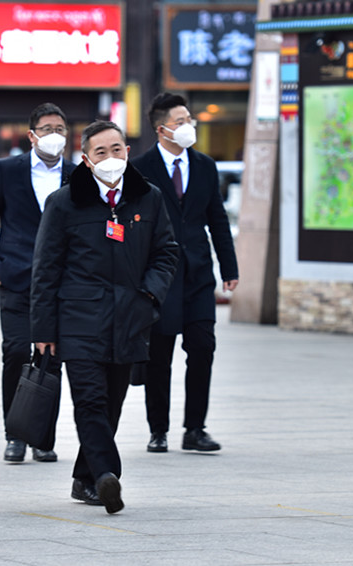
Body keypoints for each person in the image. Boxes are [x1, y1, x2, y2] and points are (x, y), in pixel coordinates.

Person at [31, 121, 178, 514]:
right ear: (86, 159)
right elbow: (45, 269)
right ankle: (107, 475)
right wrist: (43, 328)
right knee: (90, 400)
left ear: (127, 151)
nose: (110, 157)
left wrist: (149, 294)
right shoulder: (63, 203)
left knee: (112, 402)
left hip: (130, 316)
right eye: (101, 151)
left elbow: (166, 252)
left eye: (117, 149)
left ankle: (85, 478)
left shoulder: (149, 198)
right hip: (78, 318)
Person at [131, 93, 239, 454]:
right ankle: (158, 429)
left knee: (203, 348)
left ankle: (195, 428)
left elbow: (217, 219)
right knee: (159, 357)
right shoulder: (141, 168)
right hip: (159, 277)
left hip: (198, 276)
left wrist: (229, 267)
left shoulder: (205, 166)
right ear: (161, 129)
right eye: (181, 121)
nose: (188, 126)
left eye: (189, 119)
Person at [0, 103, 75, 464]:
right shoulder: (8, 170)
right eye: (47, 129)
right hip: (16, 274)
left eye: (60, 129)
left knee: (50, 357)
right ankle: (14, 434)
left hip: (61, 280)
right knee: (17, 352)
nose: (54, 135)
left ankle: (43, 438)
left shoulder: (77, 173)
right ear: (32, 135)